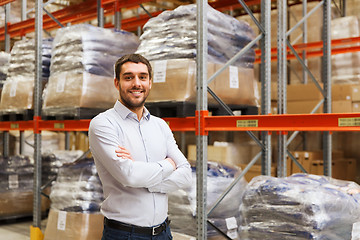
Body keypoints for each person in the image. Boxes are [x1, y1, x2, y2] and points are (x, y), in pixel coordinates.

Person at [88, 53, 192, 240]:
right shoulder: (103, 124)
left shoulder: (160, 125)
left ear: (150, 82)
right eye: (128, 77)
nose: (137, 83)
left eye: (142, 77)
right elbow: (128, 175)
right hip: (124, 235)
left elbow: (185, 175)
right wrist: (168, 165)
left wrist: (144, 180)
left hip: (163, 233)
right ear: (117, 83)